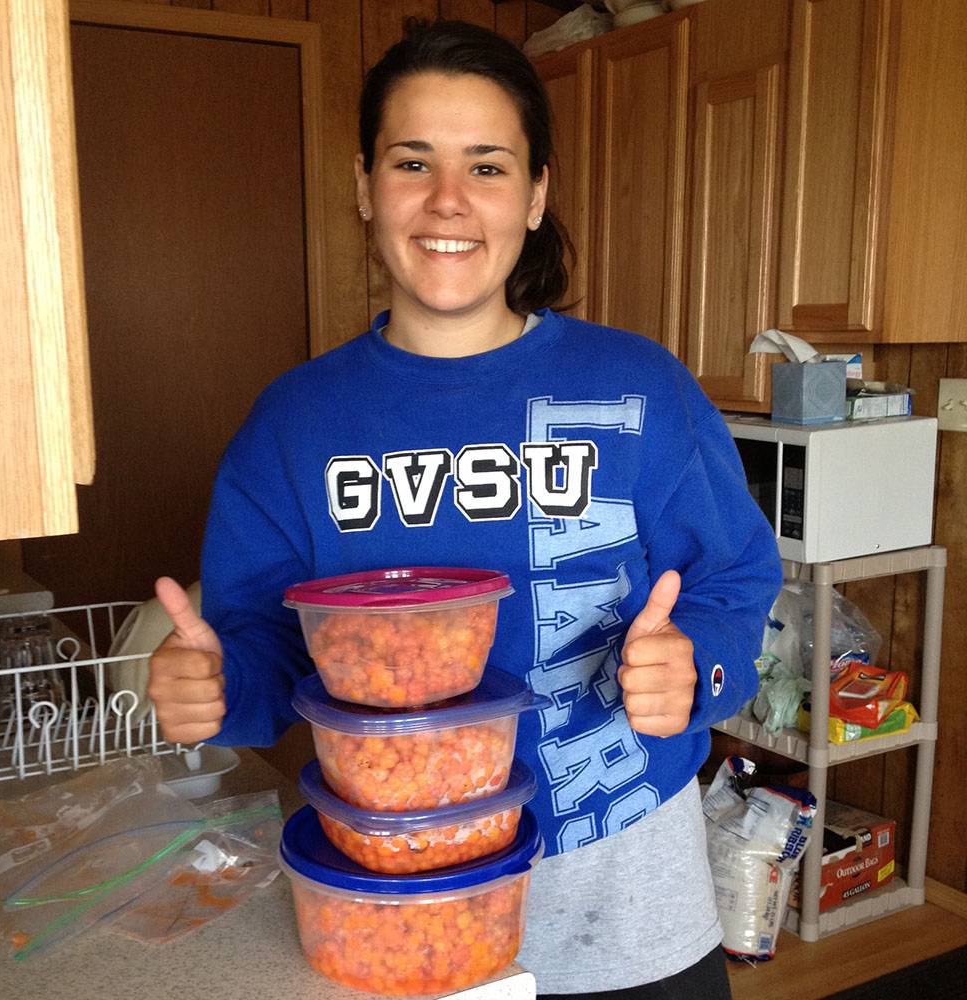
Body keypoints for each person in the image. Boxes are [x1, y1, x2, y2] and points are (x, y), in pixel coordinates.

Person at [149, 18, 782, 998]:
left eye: (487, 166)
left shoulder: (636, 388)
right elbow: (263, 650)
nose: (448, 199)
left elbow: (734, 577)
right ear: (366, 185)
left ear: (534, 194)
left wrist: (695, 662)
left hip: (625, 901)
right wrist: (217, 686)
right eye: (413, 161)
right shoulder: (293, 425)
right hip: (395, 902)